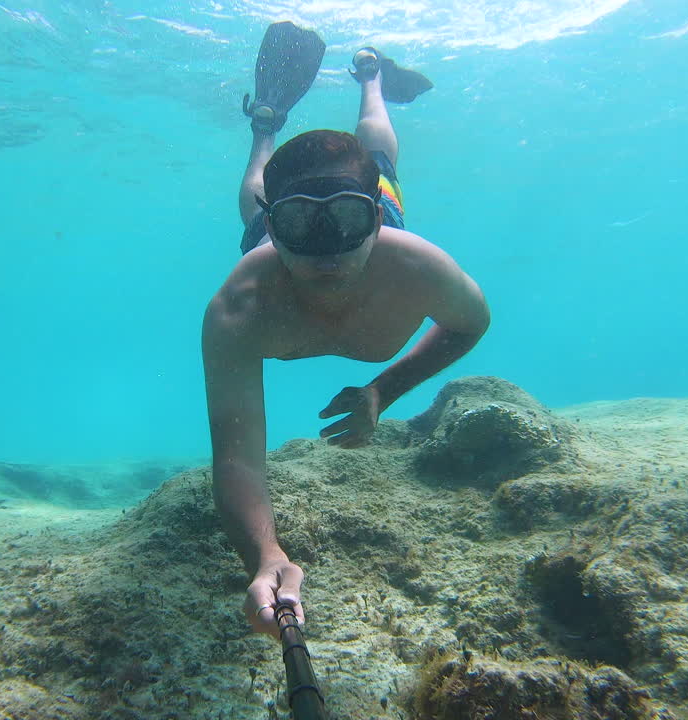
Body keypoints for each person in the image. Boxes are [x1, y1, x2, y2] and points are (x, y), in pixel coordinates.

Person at [203, 22, 490, 638]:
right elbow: (237, 456)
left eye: (347, 219)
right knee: (255, 191)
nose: (327, 250)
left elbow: (471, 324)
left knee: (380, 157)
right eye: (299, 226)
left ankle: (370, 77)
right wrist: (266, 555)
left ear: (376, 219)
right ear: (276, 229)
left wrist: (384, 390)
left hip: (355, 211)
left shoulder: (416, 266)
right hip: (270, 231)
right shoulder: (239, 306)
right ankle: (265, 130)